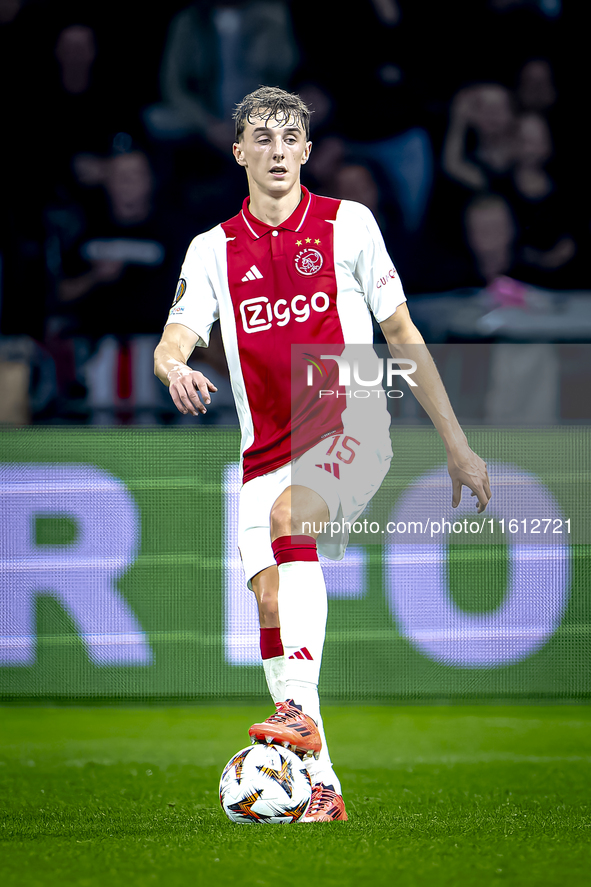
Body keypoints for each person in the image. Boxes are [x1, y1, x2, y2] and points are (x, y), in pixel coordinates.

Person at [153, 87, 491, 822]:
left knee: (290, 515)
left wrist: (457, 445)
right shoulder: (211, 249)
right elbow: (174, 336)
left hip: (353, 421)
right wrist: (174, 365)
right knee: (272, 602)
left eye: (289, 137)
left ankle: (298, 720)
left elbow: (401, 336)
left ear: (307, 151)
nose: (276, 150)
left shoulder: (349, 225)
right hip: (261, 447)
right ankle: (323, 785)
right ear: (237, 150)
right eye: (261, 137)